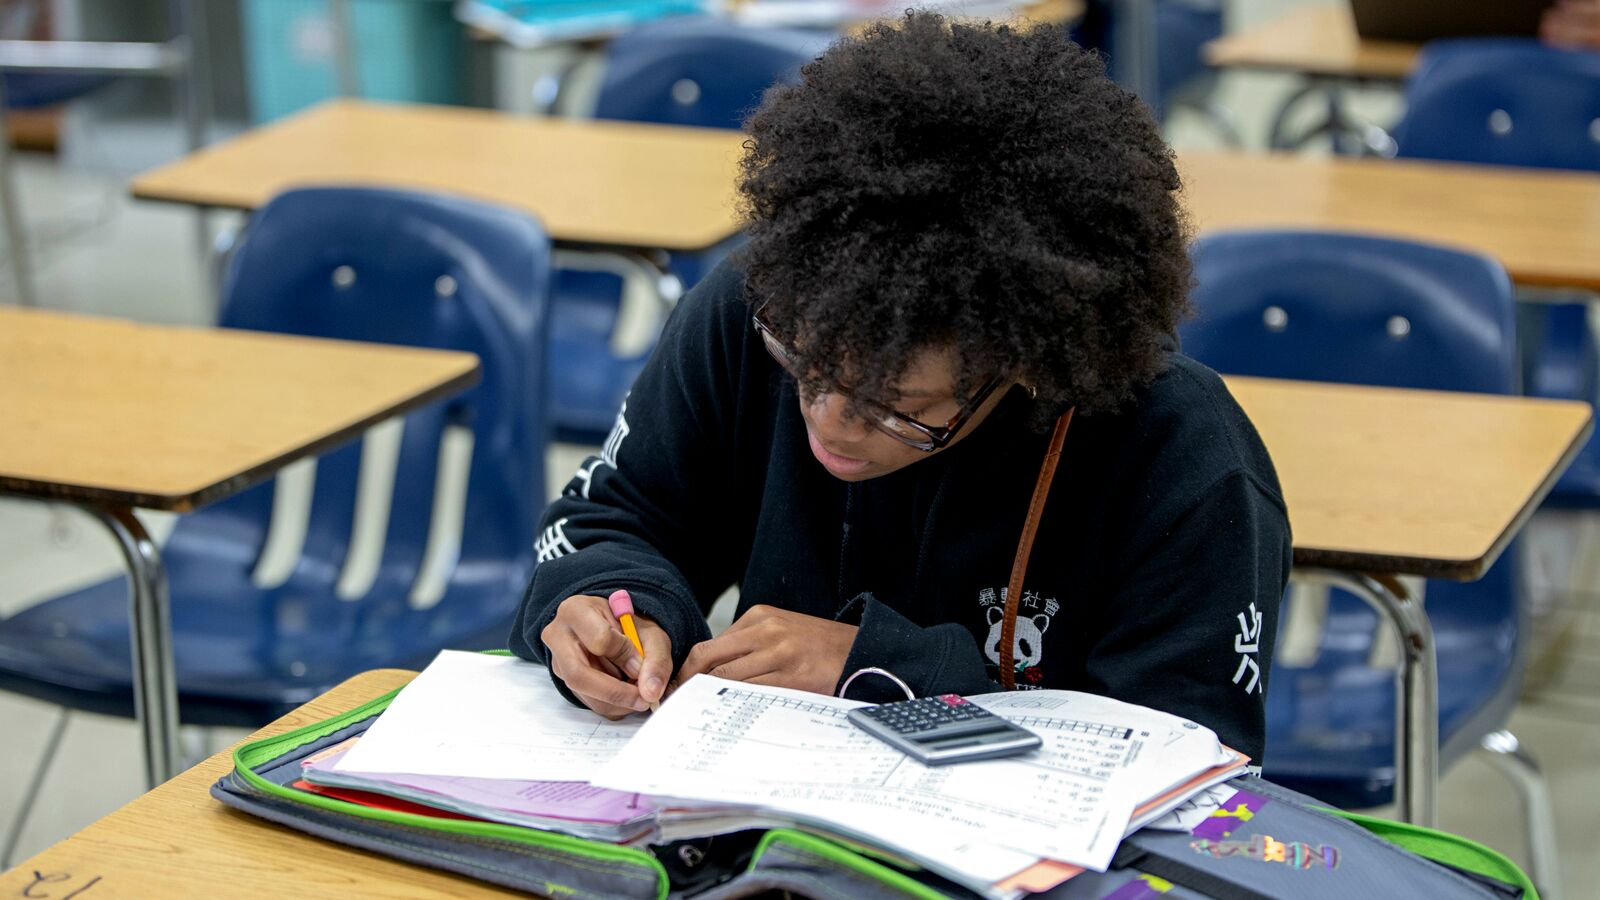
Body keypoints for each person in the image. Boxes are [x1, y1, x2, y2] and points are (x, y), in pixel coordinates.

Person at [511, 11, 1291, 760]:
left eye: (899, 409)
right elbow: (613, 520)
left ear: (1027, 365)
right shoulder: (750, 316)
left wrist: (886, 672)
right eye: (804, 368)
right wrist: (607, 602)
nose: (831, 423)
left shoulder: (1181, 458)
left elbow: (1189, 766)